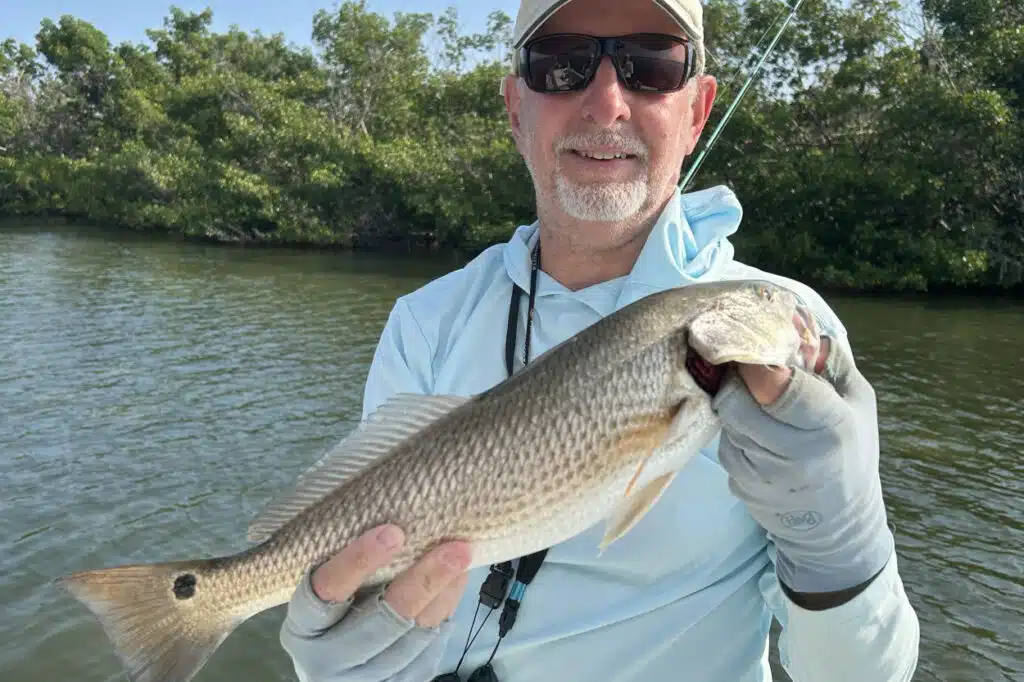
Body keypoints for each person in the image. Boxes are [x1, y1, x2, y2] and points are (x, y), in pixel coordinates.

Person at [277, 0, 921, 679]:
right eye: (562, 65)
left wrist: (840, 546)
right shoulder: (427, 320)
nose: (607, 102)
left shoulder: (796, 330)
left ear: (698, 111)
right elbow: (366, 561)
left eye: (650, 66)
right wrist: (348, 659)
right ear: (515, 108)